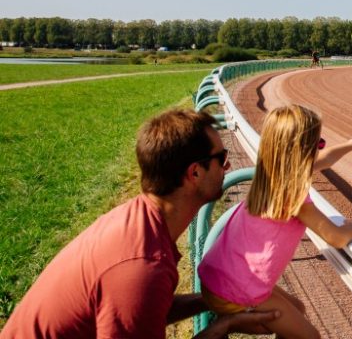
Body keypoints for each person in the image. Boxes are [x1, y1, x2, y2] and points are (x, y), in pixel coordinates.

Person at [1, 109, 279, 339]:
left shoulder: (138, 221)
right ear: (194, 172)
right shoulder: (141, 266)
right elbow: (136, 296)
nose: (228, 168)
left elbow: (143, 312)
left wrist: (214, 300)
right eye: (222, 159)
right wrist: (222, 327)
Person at [197, 105, 352, 339]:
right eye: (318, 143)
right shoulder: (292, 193)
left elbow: (325, 159)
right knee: (310, 336)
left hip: (215, 276)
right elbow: (336, 237)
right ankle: (232, 320)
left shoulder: (269, 173)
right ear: (303, 151)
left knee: (297, 308)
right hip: (233, 290)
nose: (321, 149)